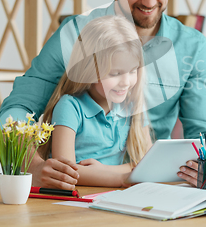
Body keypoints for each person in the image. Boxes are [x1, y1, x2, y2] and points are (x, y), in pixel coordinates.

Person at [0, 0, 206, 189]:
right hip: (82, 191)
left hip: (151, 188)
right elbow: (16, 111)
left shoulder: (193, 46)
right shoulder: (76, 34)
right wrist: (32, 166)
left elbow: (203, 136)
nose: (150, 1)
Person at [39, 16, 152, 187]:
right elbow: (65, 172)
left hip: (113, 195)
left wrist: (104, 170)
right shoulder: (69, 106)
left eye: (133, 71)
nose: (126, 82)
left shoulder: (133, 105)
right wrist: (122, 178)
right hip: (75, 201)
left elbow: (148, 162)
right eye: (115, 73)